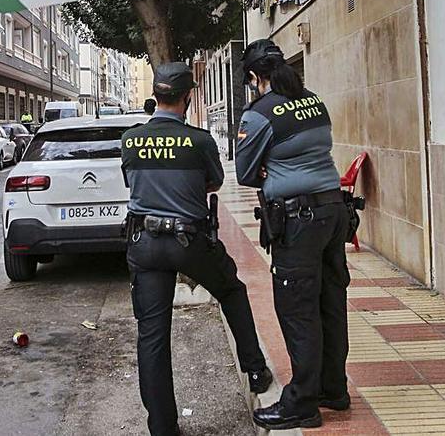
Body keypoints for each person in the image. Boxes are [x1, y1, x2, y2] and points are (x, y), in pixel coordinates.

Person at [123, 62, 274, 436]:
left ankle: (163, 427)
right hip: (190, 241)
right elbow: (214, 182)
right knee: (232, 291)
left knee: (153, 335)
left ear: (155, 97)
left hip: (144, 243)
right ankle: (255, 369)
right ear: (188, 98)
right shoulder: (200, 140)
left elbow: (132, 181)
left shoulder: (130, 139)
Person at [235, 39, 350, 431]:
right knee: (330, 300)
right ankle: (333, 388)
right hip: (334, 210)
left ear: (254, 78)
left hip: (298, 221)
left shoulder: (259, 115)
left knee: (297, 309)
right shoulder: (314, 100)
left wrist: (270, 166)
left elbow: (246, 173)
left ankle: (302, 402)